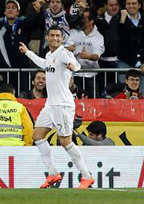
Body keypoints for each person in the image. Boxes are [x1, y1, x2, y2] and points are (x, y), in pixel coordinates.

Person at [19, 25, 95, 189]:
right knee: (37, 135)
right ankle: (53, 173)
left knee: (65, 142)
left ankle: (87, 176)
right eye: (52, 35)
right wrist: (28, 53)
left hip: (63, 105)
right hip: (50, 105)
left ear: (62, 38)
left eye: (58, 36)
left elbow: (76, 65)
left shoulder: (63, 52)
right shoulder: (50, 54)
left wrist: (72, 67)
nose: (55, 38)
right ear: (47, 37)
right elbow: (44, 64)